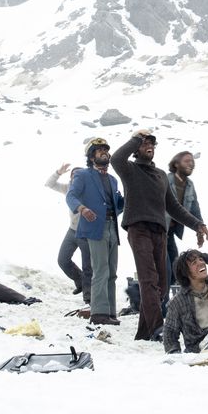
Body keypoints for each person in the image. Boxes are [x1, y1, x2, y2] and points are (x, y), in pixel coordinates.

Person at [111, 129, 208, 341]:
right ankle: (158, 328)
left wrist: (197, 224)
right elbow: (116, 158)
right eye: (145, 143)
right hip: (139, 229)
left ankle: (145, 332)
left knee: (163, 285)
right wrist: (136, 138)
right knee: (149, 280)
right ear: (136, 149)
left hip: (159, 231)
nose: (149, 146)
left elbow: (173, 206)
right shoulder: (129, 169)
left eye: (152, 144)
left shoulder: (160, 176)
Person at [68, 138, 125, 325]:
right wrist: (82, 209)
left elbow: (117, 206)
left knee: (112, 271)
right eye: (99, 150)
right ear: (92, 156)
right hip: (95, 228)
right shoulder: (83, 175)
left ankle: (110, 312)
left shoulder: (113, 180)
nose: (104, 153)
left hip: (112, 227)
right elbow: (71, 196)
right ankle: (99, 314)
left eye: (105, 150)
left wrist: (125, 201)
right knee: (101, 269)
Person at [45, 163, 92, 302]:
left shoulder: (89, 190)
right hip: (72, 230)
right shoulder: (68, 188)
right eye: (72, 175)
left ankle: (89, 298)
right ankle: (80, 282)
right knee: (63, 260)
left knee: (88, 266)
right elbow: (49, 184)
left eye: (78, 175)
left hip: (86, 232)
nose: (74, 178)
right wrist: (58, 172)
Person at [163, 151, 203, 305]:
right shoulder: (165, 179)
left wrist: (200, 228)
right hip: (159, 230)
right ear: (176, 164)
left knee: (176, 266)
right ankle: (162, 306)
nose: (191, 164)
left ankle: (173, 302)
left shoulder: (190, 185)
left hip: (171, 232)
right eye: (186, 161)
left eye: (192, 161)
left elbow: (194, 209)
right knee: (165, 268)